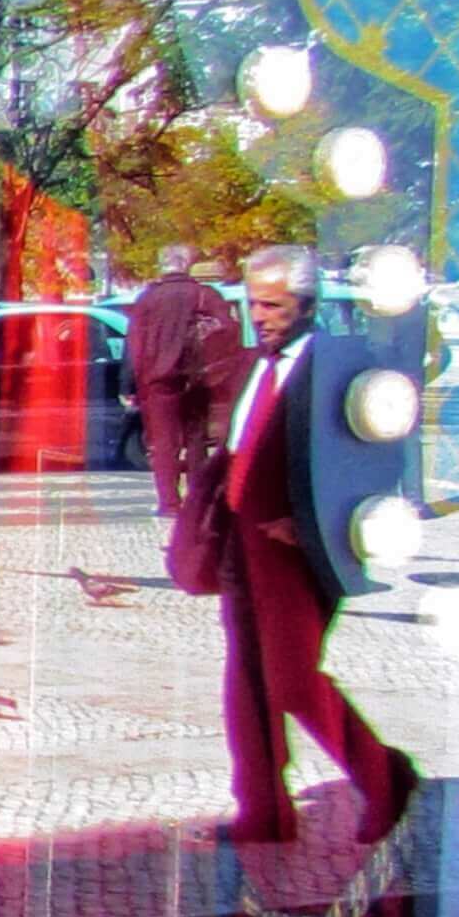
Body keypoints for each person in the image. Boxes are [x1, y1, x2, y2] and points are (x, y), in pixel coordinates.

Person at [213, 244, 414, 846]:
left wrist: (315, 523)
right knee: (246, 681)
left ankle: (384, 777)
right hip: (239, 542)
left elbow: (380, 453)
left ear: (305, 306)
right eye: (253, 304)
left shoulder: (341, 364)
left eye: (272, 306)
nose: (260, 316)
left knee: (293, 679)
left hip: (299, 552)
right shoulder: (256, 363)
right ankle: (264, 811)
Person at [125, 243, 242, 514]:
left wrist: (129, 384)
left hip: (157, 381)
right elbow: (229, 332)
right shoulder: (205, 295)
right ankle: (198, 499)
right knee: (197, 440)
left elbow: (134, 346)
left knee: (163, 443)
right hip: (198, 377)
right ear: (187, 264)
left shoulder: (147, 299)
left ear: (163, 266)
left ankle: (168, 502)